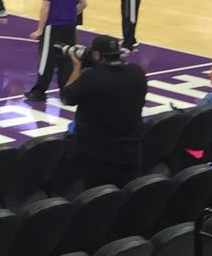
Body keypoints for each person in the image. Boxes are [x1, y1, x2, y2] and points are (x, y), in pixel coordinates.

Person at [59, 35, 147, 189]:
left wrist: (76, 67)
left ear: (97, 55)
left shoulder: (92, 77)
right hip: (132, 153)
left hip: (98, 156)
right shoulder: (137, 73)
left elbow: (67, 97)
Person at [24, 0, 84, 104]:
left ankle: (39, 91)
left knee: (46, 60)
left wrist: (40, 29)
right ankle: (65, 93)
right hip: (69, 26)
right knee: (66, 59)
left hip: (53, 27)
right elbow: (83, 3)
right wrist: (71, 14)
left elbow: (45, 7)